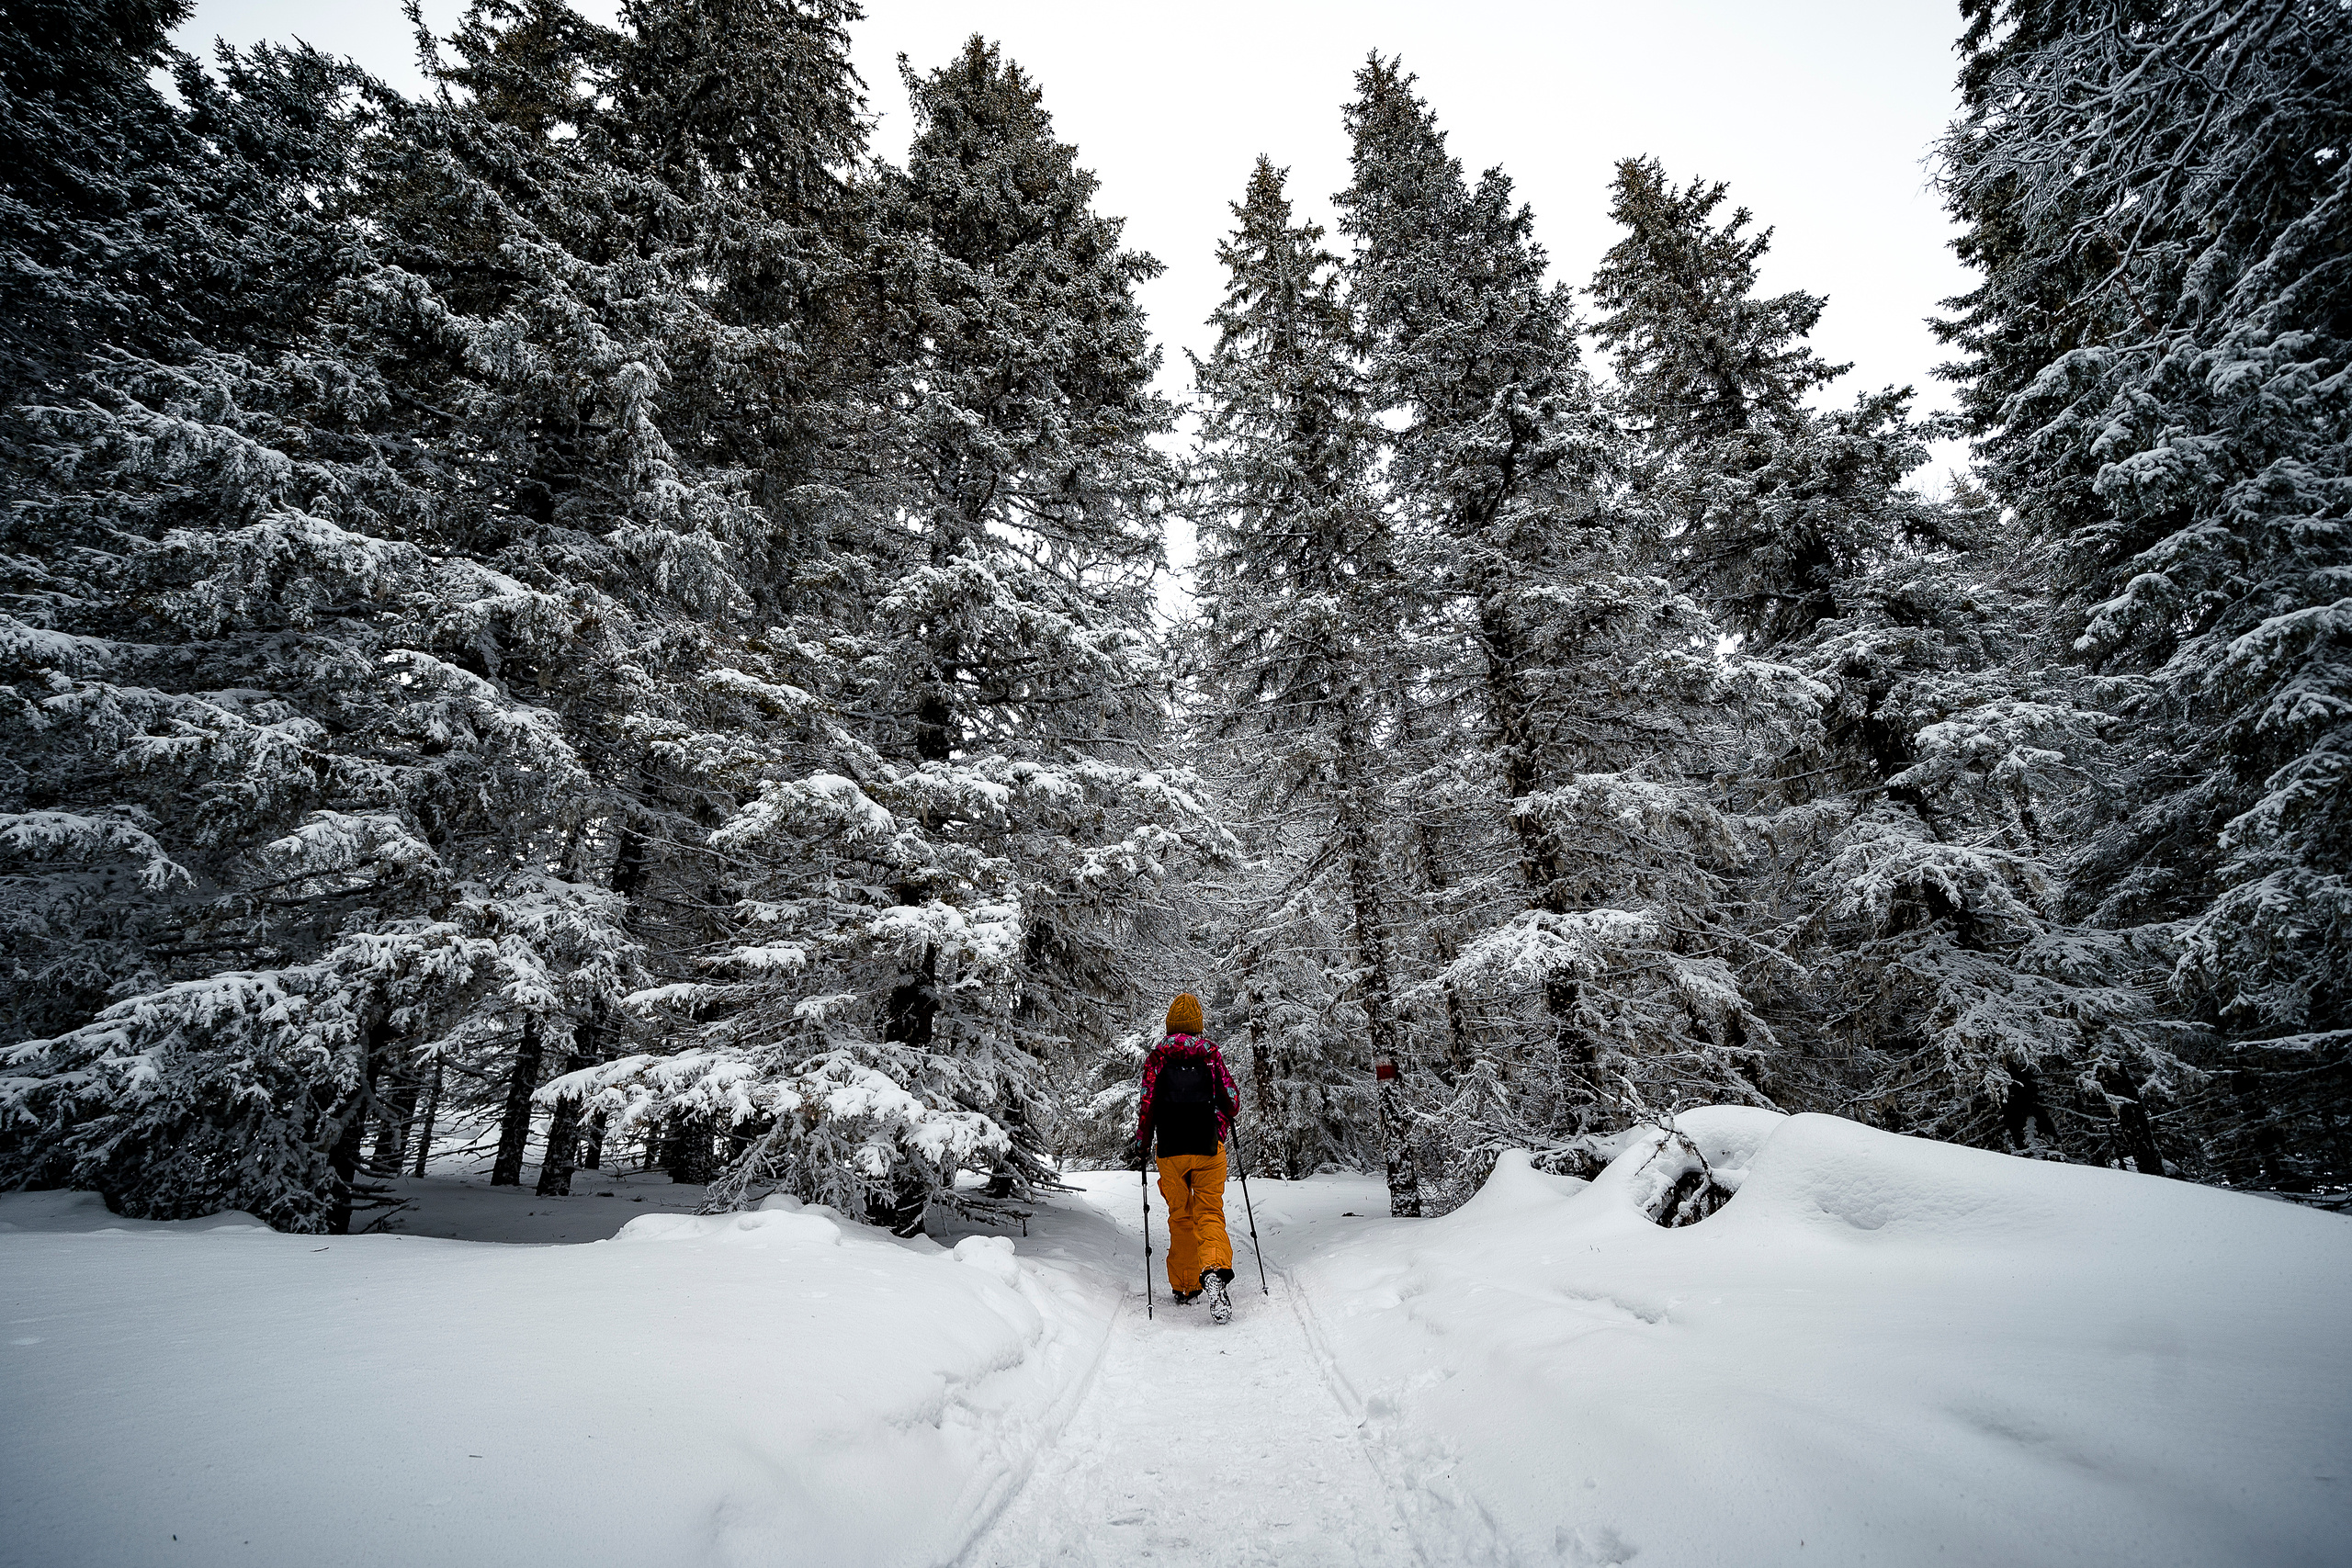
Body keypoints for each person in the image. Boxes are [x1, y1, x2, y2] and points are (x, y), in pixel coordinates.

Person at [1134, 992, 1241, 1323]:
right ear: (1198, 1024)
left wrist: (1143, 1142)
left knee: (1180, 1216)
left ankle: (1184, 1286)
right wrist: (1220, 1125)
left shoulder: (1157, 1059)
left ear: (1170, 1024)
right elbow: (1232, 1102)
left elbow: (1147, 1105)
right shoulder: (1211, 1056)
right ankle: (1213, 1270)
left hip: (1170, 1151)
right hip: (1208, 1147)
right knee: (1209, 1213)